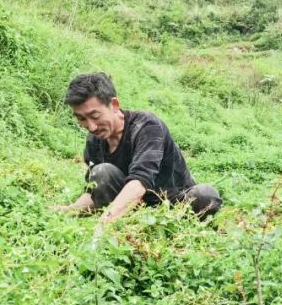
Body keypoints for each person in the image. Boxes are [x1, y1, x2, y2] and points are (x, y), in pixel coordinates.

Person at [53, 72, 222, 224]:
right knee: (101, 171)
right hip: (131, 207)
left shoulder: (147, 126)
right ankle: (126, 220)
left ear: (114, 105)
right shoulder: (95, 140)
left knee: (206, 195)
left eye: (95, 116)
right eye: (82, 119)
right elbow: (93, 191)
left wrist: (106, 221)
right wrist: (69, 210)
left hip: (172, 204)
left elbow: (139, 183)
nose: (91, 127)